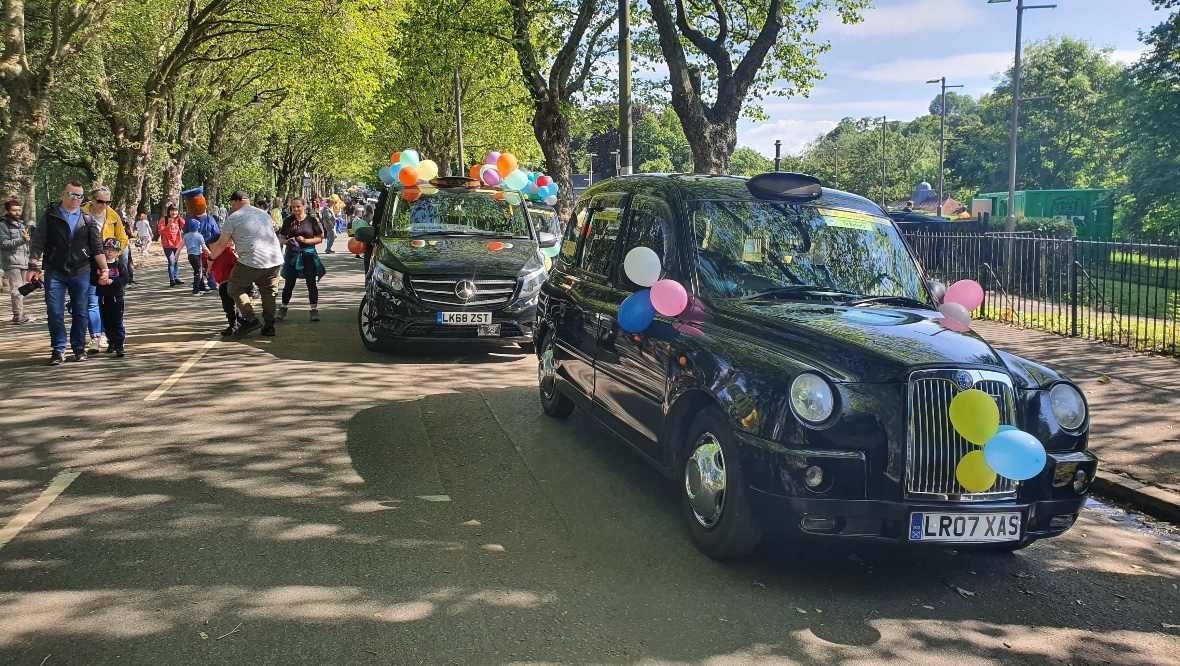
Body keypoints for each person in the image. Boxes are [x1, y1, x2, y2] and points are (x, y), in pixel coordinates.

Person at [27, 182, 109, 365]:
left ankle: (78, 348)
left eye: (79, 196)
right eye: (72, 194)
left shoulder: (87, 219)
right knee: (55, 312)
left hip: (81, 271)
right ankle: (58, 349)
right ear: (63, 195)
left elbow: (96, 247)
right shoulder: (50, 216)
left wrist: (105, 270)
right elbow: (38, 242)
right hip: (54, 271)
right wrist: (32, 266)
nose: (75, 199)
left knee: (80, 312)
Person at [207, 191, 284, 337]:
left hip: (252, 259)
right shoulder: (263, 214)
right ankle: (269, 326)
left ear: (235, 202)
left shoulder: (234, 218)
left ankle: (251, 319)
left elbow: (221, 244)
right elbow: (275, 228)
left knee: (234, 287)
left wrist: (210, 259)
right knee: (269, 293)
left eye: (231, 204)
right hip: (274, 258)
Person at [83, 187, 126, 351]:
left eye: (108, 202)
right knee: (92, 302)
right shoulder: (82, 213)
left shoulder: (113, 215)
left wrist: (112, 255)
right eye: (101, 201)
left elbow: (122, 239)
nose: (104, 205)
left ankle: (113, 339)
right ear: (92, 200)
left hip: (108, 264)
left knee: (110, 308)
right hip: (86, 262)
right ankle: (95, 337)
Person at [277, 198, 325, 322]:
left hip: (308, 254)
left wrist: (306, 241)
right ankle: (283, 308)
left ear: (304, 206)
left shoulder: (311, 220)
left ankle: (314, 310)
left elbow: (320, 238)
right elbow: (282, 238)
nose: (296, 209)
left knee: (311, 283)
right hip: (292, 255)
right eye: (293, 207)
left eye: (298, 206)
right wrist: (288, 242)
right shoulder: (288, 220)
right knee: (289, 283)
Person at [182, 187, 220, 291]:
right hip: (207, 247)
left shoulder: (188, 219)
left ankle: (200, 285)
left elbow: (185, 231)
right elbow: (216, 233)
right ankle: (212, 283)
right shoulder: (209, 219)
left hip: (194, 248)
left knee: (198, 268)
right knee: (210, 265)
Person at [96, 238, 128, 357]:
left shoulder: (119, 265)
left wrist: (112, 281)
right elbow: (92, 279)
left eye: (113, 250)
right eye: (108, 250)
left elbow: (125, 279)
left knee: (117, 321)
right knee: (107, 322)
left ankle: (120, 345)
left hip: (117, 297)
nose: (110, 253)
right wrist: (99, 281)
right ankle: (112, 342)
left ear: (118, 252)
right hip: (103, 297)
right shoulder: (99, 265)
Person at [1, 200, 30, 324]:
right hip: (11, 261)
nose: (17, 212)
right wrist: (22, 240)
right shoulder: (2, 225)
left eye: (19, 210)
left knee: (22, 289)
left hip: (23, 261)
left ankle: (21, 312)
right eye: (14, 210)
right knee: (16, 288)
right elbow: (3, 243)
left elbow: (26, 243)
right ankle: (17, 314)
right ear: (7, 211)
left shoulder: (21, 225)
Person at [208, 232, 240, 336]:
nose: (210, 247)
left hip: (231, 282)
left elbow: (237, 265)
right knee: (228, 306)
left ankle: (237, 323)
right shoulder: (213, 256)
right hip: (222, 283)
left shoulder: (228, 253)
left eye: (211, 245)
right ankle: (233, 324)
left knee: (235, 305)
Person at [158, 204, 184, 286]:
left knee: (176, 261)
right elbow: (160, 231)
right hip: (167, 245)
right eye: (172, 210)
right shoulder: (164, 220)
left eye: (176, 210)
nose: (174, 212)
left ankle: (176, 278)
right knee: (171, 261)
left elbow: (186, 225)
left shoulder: (179, 220)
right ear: (169, 211)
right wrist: (168, 226)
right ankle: (172, 279)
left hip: (177, 244)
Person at [182, 220, 209, 294]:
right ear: (198, 227)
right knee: (198, 272)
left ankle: (202, 287)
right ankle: (195, 290)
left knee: (198, 270)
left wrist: (176, 255)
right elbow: (204, 247)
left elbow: (181, 245)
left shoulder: (186, 235)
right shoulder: (199, 236)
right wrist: (211, 254)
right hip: (197, 255)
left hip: (190, 256)